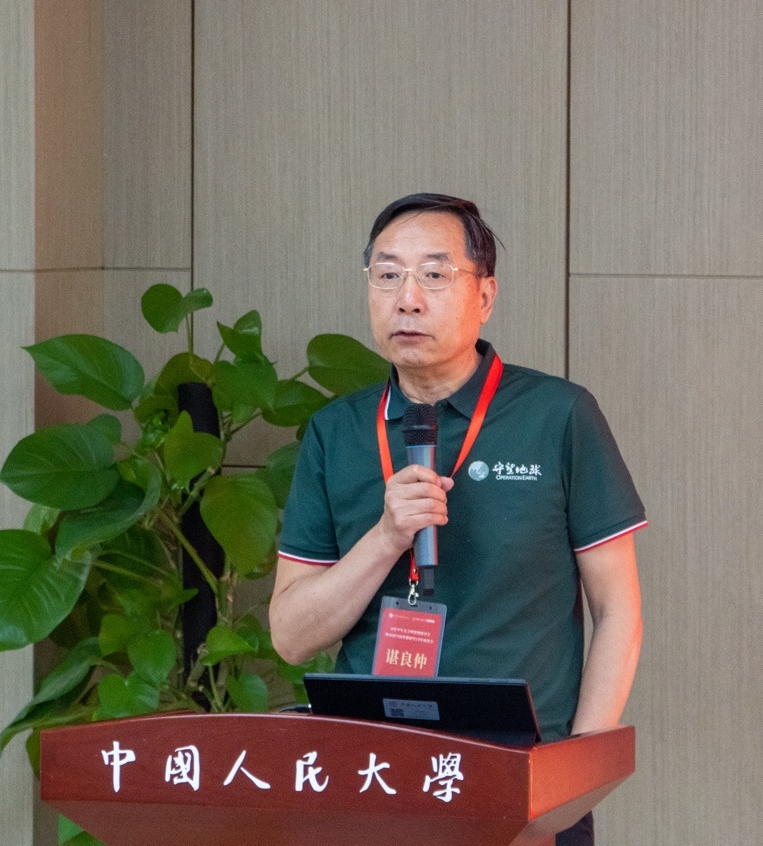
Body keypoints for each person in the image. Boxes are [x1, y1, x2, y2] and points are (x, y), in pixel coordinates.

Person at [269, 193, 646, 846]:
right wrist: (386, 538)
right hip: (370, 776)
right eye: (387, 275)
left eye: (434, 275)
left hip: (522, 780)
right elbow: (291, 637)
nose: (407, 299)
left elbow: (618, 610)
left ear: (485, 295)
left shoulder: (557, 416)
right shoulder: (336, 432)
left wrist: (573, 776)